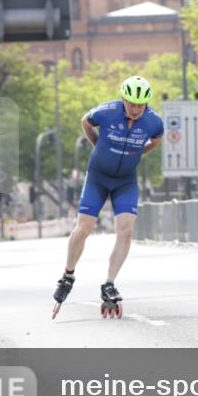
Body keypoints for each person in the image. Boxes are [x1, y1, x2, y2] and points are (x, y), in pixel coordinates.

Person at [52, 75, 164, 319]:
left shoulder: (154, 122)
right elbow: (85, 121)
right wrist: (97, 143)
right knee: (84, 228)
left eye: (140, 105)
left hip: (126, 180)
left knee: (126, 230)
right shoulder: (107, 112)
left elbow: (157, 141)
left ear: (146, 104)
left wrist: (138, 153)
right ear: (123, 99)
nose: (135, 109)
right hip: (98, 177)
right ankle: (68, 274)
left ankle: (109, 283)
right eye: (131, 103)